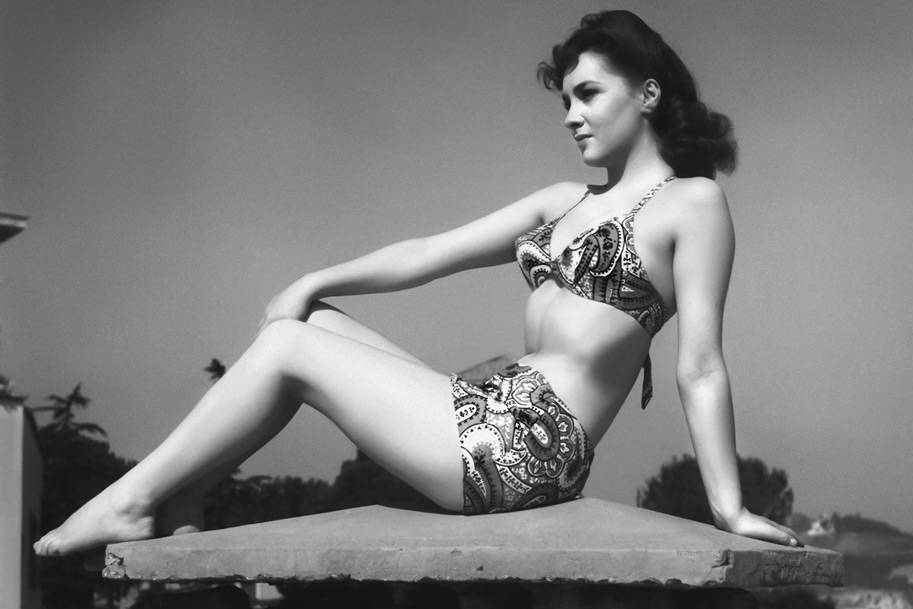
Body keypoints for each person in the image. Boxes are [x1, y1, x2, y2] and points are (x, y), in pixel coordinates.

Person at [35, 10, 800, 556]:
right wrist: (311, 279)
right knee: (307, 322)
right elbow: (428, 252)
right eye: (564, 99)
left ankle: (131, 499)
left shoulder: (691, 204)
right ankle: (185, 497)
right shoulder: (560, 202)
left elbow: (701, 364)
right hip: (481, 411)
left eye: (589, 94)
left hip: (524, 451)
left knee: (288, 351)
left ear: (649, 94)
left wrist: (728, 506)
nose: (571, 115)